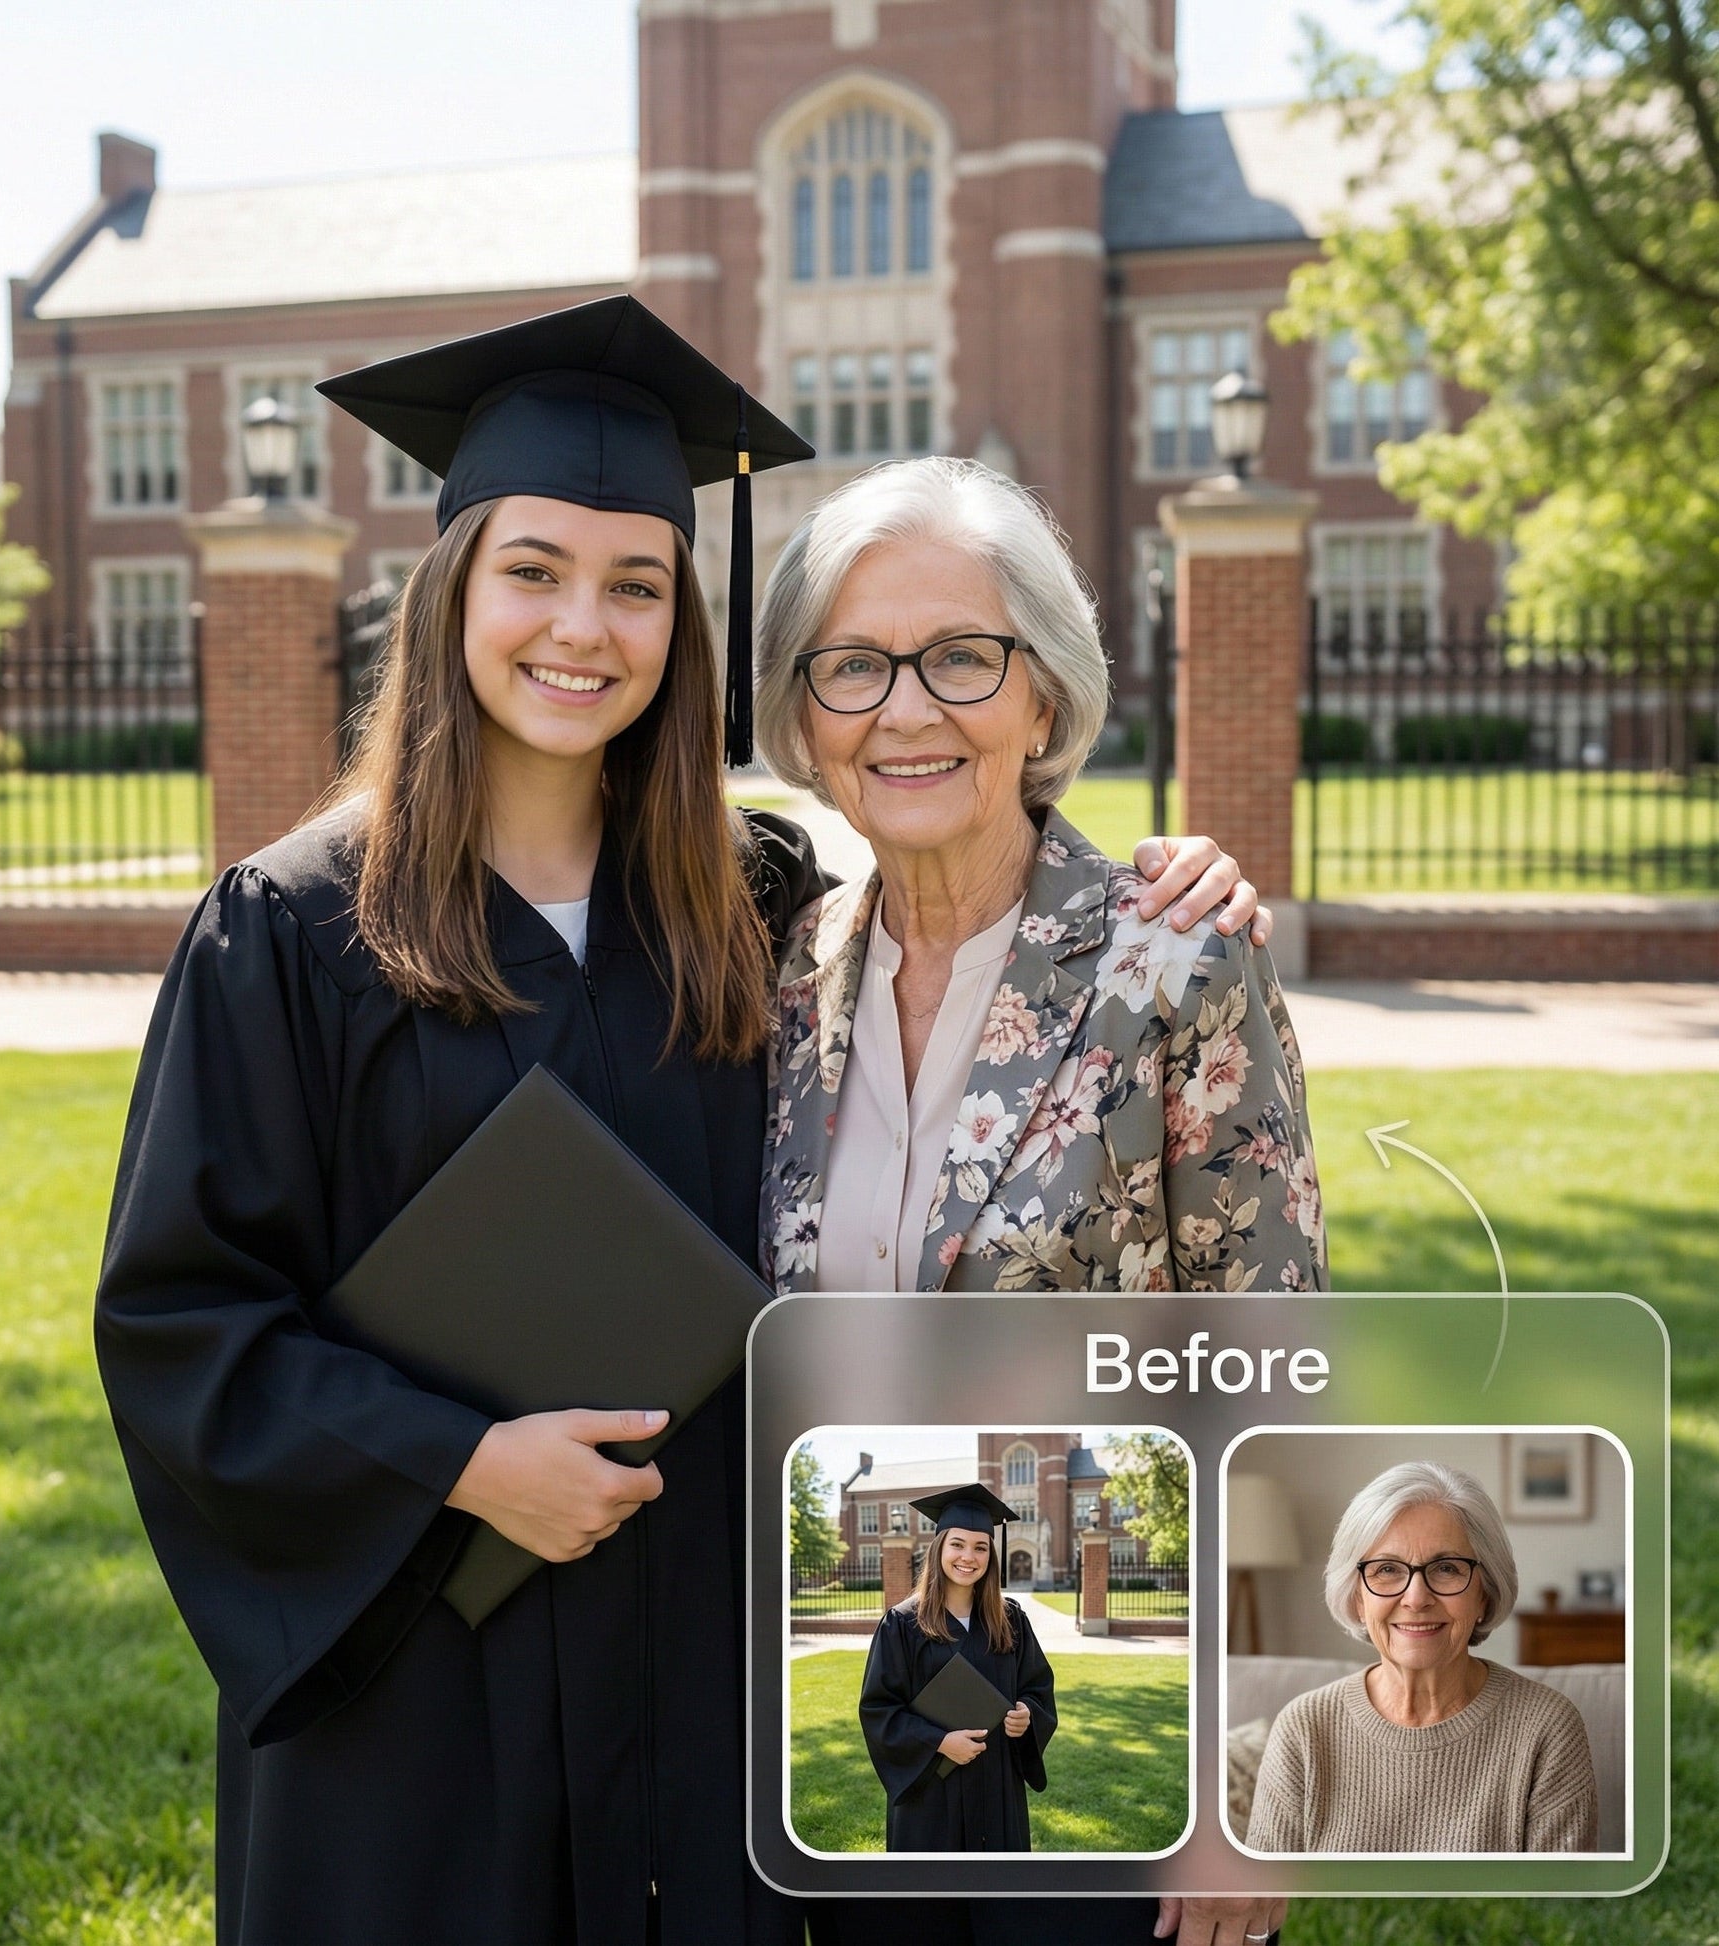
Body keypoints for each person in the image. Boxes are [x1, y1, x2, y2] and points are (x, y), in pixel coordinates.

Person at [92, 298, 1265, 1946]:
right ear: (448, 591)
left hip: (703, 1683)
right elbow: (180, 1318)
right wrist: (459, 1465)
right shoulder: (295, 933)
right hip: (425, 1684)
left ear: (684, 624)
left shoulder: (748, 900)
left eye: (637, 583)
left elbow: (966, 874)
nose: (585, 626)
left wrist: (1163, 883)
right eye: (533, 571)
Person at [757, 455, 1308, 1946]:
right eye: (853, 665)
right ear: (805, 718)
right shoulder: (782, 970)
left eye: (960, 655)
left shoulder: (1172, 957)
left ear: (1042, 700)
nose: (906, 707)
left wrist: (1240, 1790)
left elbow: (1271, 1377)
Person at [1244, 1462, 1598, 1854]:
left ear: (1485, 1593)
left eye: (1447, 1568)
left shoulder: (1547, 1728)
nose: (1416, 1598)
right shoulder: (1304, 1728)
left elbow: (1559, 1910)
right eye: (1387, 1569)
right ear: (1358, 1598)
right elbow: (1264, 1907)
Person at [859, 1486, 1056, 1853]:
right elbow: (879, 1709)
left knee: (997, 1896)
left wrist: (1027, 1713)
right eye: (958, 1544)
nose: (969, 1557)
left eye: (981, 1547)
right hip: (931, 1791)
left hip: (996, 1782)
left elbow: (1037, 1687)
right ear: (939, 1549)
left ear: (991, 1555)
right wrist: (939, 1742)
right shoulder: (902, 1624)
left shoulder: (1010, 1619)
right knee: (932, 1901)